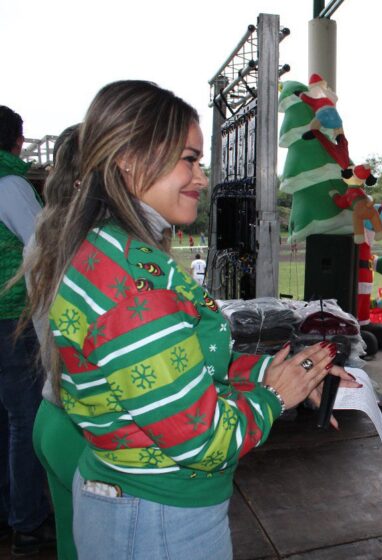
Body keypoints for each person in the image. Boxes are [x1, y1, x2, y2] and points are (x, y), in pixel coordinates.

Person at [21, 81, 357, 558]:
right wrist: (276, 395)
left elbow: (186, 362)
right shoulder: (128, 280)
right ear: (129, 160)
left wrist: (293, 370)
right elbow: (204, 440)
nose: (202, 177)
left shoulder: (117, 253)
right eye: (189, 159)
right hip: (157, 521)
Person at [23, 125, 87, 560]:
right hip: (86, 429)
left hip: (53, 416)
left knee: (72, 546)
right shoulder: (94, 244)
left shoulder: (46, 232)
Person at [0, 105, 55, 554]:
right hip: (11, 318)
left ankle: (9, 510)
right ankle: (28, 520)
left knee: (5, 418)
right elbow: (40, 245)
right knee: (25, 419)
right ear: (17, 141)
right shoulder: (12, 185)